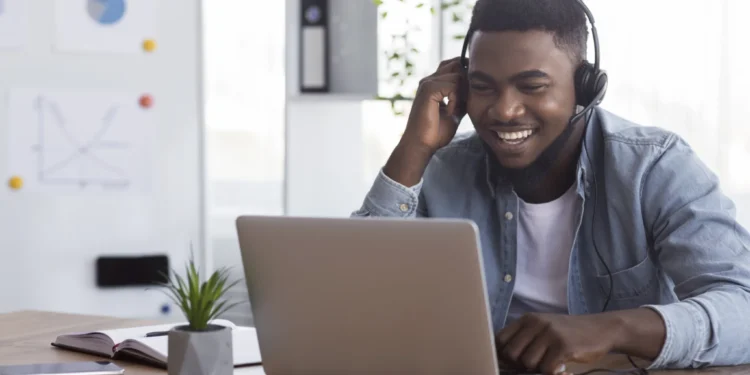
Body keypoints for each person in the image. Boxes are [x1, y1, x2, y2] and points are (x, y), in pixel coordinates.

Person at [352, 0, 750, 374]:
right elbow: (355, 301)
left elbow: (742, 308)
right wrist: (414, 147)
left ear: (586, 86)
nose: (504, 110)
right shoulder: (442, 168)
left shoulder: (655, 166)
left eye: (532, 86)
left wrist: (610, 329)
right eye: (484, 86)